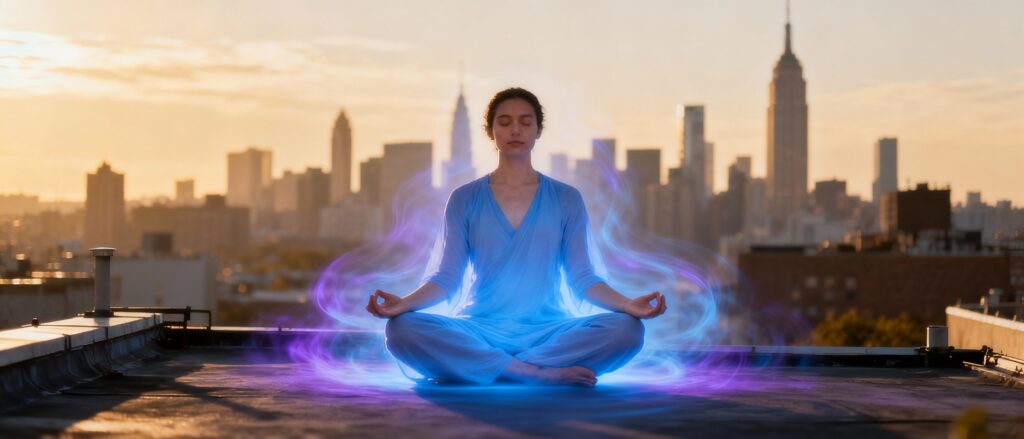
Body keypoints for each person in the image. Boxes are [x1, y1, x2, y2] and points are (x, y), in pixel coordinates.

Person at [366, 87, 667, 387]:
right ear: (490, 131)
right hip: (479, 329)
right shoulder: (464, 198)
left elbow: (582, 278)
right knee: (401, 330)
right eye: (505, 122)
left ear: (538, 131)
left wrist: (628, 305)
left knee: (628, 331)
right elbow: (446, 279)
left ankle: (492, 367)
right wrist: (404, 304)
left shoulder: (566, 198)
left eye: (525, 122)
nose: (515, 130)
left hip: (549, 332)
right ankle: (533, 372)